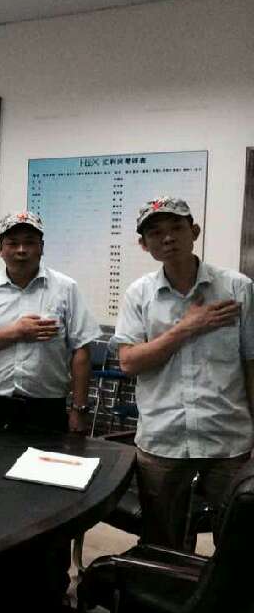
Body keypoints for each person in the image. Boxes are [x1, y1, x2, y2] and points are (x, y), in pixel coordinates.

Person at [114, 196, 254, 549]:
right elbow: (129, 362)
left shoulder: (237, 288)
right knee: (161, 542)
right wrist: (186, 328)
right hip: (163, 439)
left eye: (176, 227)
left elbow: (251, 362)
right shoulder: (139, 294)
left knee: (237, 543)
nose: (168, 238)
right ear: (144, 244)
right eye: (155, 233)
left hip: (228, 439)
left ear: (195, 231)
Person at [0, 211, 101, 434]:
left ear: (41, 248)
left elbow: (81, 351)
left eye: (30, 242)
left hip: (47, 407)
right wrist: (16, 332)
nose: (21, 250)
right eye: (13, 243)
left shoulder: (65, 288)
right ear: (1, 250)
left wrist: (79, 409)